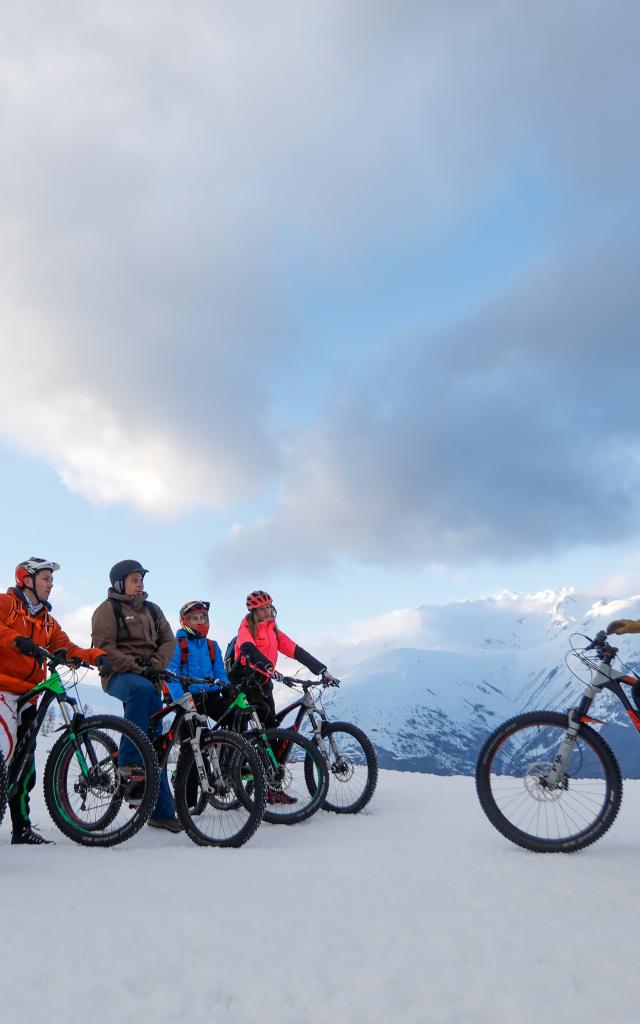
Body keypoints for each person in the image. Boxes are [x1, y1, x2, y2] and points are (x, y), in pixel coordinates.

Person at [0, 557, 110, 845]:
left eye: (51, 579)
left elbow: (66, 647)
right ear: (27, 580)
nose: (51, 584)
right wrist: (17, 640)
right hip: (2, 687)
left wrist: (94, 657)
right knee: (4, 749)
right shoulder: (7, 604)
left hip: (28, 694)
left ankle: (21, 829)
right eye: (46, 578)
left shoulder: (47, 621)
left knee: (26, 765)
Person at [91, 559, 181, 833]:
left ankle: (163, 812)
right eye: (134, 579)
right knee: (140, 692)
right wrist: (137, 666)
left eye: (141, 578)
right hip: (119, 675)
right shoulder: (107, 610)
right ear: (120, 583)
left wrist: (155, 663)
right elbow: (104, 647)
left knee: (157, 746)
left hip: (149, 677)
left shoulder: (153, 610)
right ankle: (129, 763)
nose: (140, 582)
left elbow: (169, 641)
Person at [233, 590, 336, 729]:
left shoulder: (272, 630)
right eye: (262, 608)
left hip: (265, 681)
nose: (267, 610)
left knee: (271, 727)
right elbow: (249, 650)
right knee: (266, 722)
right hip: (247, 681)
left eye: (268, 606)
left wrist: (322, 670)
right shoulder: (245, 629)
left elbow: (296, 651)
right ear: (254, 612)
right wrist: (270, 668)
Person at [164, 601, 230, 718]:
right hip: (186, 697)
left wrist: (227, 688)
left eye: (202, 617)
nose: (200, 621)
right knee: (191, 731)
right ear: (185, 622)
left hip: (211, 695)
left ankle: (228, 737)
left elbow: (220, 672)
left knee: (235, 716)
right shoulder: (177, 645)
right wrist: (182, 701)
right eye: (195, 618)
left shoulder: (212, 645)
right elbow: (170, 676)